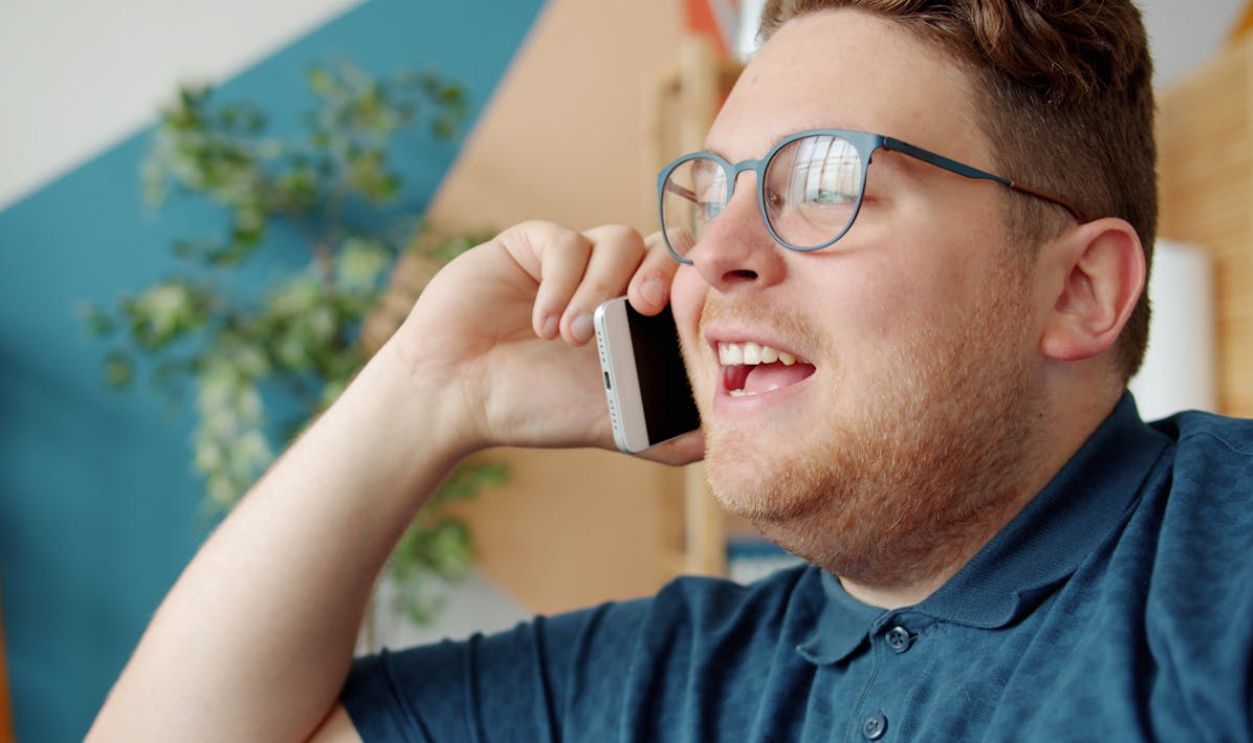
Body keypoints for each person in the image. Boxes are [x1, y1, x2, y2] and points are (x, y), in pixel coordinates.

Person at [90, 0, 1253, 741]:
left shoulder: (1220, 562)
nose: (715, 259)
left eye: (823, 186)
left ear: (1077, 291)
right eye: (709, 196)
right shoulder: (665, 677)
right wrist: (425, 394)